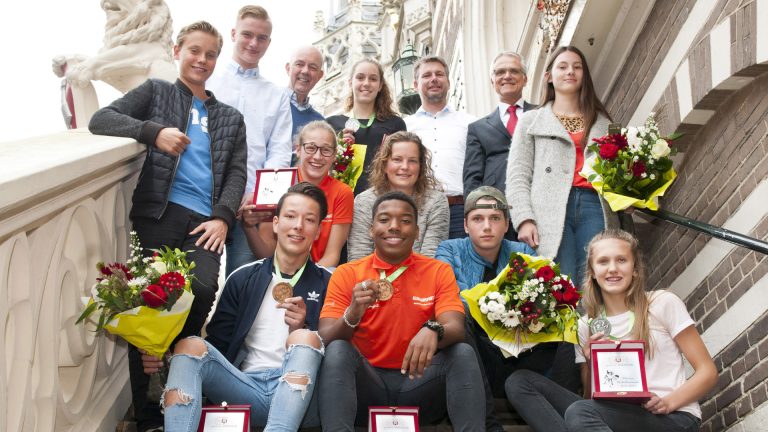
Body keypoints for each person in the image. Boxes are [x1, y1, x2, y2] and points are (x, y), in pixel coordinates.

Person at [88, 21, 246, 432]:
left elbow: (236, 173)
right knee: (150, 301)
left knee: (204, 289)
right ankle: (146, 415)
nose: (202, 60)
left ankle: (174, 364)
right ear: (177, 51)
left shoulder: (231, 118)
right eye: (194, 50)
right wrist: (153, 132)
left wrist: (223, 216)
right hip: (160, 213)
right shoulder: (156, 92)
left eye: (210, 54)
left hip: (206, 222)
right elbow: (101, 119)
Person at [141, 183, 332, 432]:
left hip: (303, 398)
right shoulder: (242, 278)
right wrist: (166, 357)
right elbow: (218, 345)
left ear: (318, 231)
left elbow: (338, 355)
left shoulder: (330, 282)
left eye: (309, 220)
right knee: (188, 345)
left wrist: (303, 328)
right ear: (275, 223)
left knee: (305, 338)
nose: (298, 226)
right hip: (245, 387)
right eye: (290, 216)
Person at [505, 229, 717, 432]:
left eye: (621, 260)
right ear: (592, 272)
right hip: (616, 416)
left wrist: (667, 403)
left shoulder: (661, 303)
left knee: (581, 412)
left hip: (672, 417)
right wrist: (591, 362)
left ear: (635, 269)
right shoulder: (585, 326)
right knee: (520, 382)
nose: (613, 268)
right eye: (603, 261)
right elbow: (590, 400)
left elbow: (707, 372)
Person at [317, 192, 485, 430]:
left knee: (462, 352)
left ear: (416, 232)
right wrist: (352, 314)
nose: (394, 226)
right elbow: (325, 337)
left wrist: (433, 328)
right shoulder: (347, 273)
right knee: (337, 350)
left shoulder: (438, 271)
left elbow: (456, 328)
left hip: (420, 384)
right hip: (365, 387)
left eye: (405, 221)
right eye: (384, 220)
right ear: (371, 229)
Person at [505, 45, 618, 287]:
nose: (570, 72)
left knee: (598, 280)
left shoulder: (603, 123)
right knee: (561, 283)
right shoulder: (531, 121)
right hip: (549, 208)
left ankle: (598, 316)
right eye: (563, 67)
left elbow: (618, 172)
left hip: (595, 205)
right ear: (548, 76)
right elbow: (518, 175)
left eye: (577, 67)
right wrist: (524, 219)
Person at [209, 5, 294, 276]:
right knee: (199, 281)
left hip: (251, 207)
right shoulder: (208, 80)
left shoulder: (277, 95)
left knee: (245, 281)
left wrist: (257, 195)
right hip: (205, 198)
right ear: (234, 34)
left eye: (262, 38)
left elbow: (279, 151)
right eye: (247, 35)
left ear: (269, 42)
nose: (253, 43)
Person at [244, 121, 353, 268]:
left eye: (326, 150)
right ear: (298, 150)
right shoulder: (277, 182)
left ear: (334, 155)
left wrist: (307, 278)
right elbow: (267, 253)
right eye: (311, 148)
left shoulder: (342, 192)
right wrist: (248, 227)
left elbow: (332, 255)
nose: (317, 156)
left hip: (319, 271)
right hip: (278, 271)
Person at [463, 51, 535, 240]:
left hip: (539, 205)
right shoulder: (477, 128)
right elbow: (472, 179)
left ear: (525, 78)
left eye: (514, 71)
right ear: (492, 80)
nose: (507, 76)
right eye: (500, 72)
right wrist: (477, 216)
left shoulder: (542, 114)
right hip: (498, 214)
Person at [405, 56, 476, 239]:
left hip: (461, 211)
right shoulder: (404, 126)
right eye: (427, 75)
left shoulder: (470, 123)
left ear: (448, 82)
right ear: (415, 84)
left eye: (439, 74)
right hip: (418, 211)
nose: (434, 79)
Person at [348, 131, 448, 260]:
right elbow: (359, 257)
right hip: (372, 272)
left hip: (420, 272)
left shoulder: (435, 201)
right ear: (384, 165)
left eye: (412, 161)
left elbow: (431, 259)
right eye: (397, 160)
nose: (405, 167)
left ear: (421, 167)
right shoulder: (364, 201)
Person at [326, 58, 407, 195]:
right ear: (350, 83)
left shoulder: (395, 124)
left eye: (373, 79)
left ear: (380, 86)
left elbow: (401, 166)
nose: (366, 83)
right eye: (360, 77)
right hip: (341, 199)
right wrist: (338, 149)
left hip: (382, 198)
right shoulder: (331, 124)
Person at [285, 46, 325, 142]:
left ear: (319, 76)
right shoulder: (270, 103)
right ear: (288, 68)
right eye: (299, 64)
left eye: (313, 67)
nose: (305, 71)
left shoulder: (320, 123)